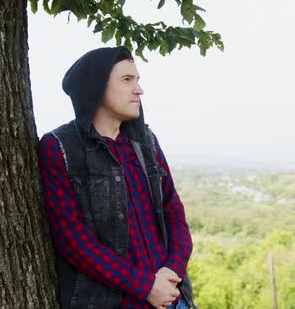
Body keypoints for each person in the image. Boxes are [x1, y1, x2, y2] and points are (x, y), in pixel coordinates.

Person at [38, 46, 196, 309]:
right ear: (97, 87)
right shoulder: (60, 148)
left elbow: (174, 212)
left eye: (137, 80)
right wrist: (145, 286)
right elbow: (74, 242)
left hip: (172, 298)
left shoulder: (146, 141)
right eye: (127, 80)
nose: (139, 90)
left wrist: (172, 272)